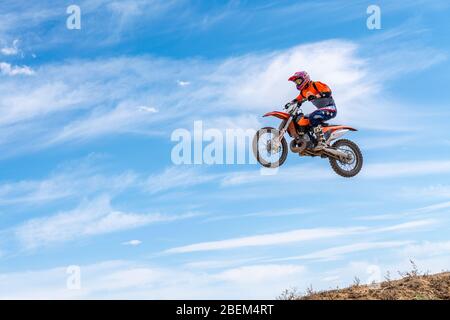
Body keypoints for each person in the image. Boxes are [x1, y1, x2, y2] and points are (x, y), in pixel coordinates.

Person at [285, 71, 337, 150]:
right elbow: (297, 99)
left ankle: (322, 141)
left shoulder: (315, 84)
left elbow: (328, 92)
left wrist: (316, 96)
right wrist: (290, 103)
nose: (297, 83)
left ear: (305, 78)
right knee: (304, 119)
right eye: (296, 82)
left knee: (313, 116)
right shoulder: (303, 92)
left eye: (299, 81)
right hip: (322, 110)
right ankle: (312, 141)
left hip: (331, 108)